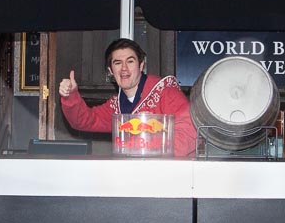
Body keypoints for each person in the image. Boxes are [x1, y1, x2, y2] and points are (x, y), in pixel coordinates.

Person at [58, 37, 198, 158]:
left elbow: (190, 131)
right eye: (118, 63)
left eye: (130, 61)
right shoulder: (116, 105)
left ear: (141, 65)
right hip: (133, 177)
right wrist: (71, 96)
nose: (124, 68)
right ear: (110, 71)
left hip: (171, 178)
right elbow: (84, 121)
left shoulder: (166, 92)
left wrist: (150, 156)